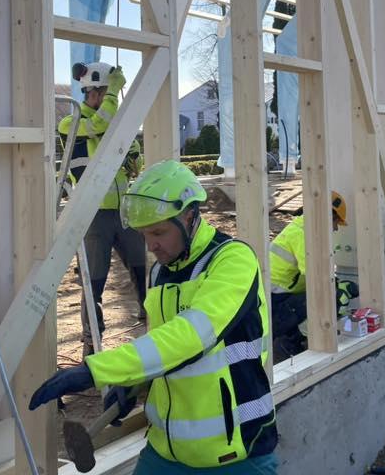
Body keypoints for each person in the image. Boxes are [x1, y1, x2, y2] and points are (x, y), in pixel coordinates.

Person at [30, 160, 278, 473]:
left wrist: (98, 370)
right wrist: (134, 383)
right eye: (144, 234)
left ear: (190, 216)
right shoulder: (161, 271)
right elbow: (162, 346)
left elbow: (190, 337)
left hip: (235, 451)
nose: (151, 245)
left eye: (159, 232)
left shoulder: (232, 261)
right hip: (165, 450)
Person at [58, 62, 146, 356]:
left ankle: (151, 323)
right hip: (93, 215)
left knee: (142, 270)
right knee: (93, 282)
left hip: (123, 213)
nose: (111, 99)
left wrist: (133, 155)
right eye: (107, 93)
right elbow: (98, 124)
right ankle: (91, 342)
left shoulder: (113, 123)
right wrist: (114, 92)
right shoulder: (70, 123)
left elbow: (133, 160)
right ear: (93, 92)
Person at [268, 191, 358, 358]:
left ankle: (292, 336)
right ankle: (289, 342)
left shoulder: (304, 229)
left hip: (279, 297)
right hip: (274, 303)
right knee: (334, 297)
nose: (336, 228)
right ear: (328, 216)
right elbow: (318, 280)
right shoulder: (304, 235)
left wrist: (336, 282)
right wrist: (340, 289)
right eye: (336, 222)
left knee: (332, 293)